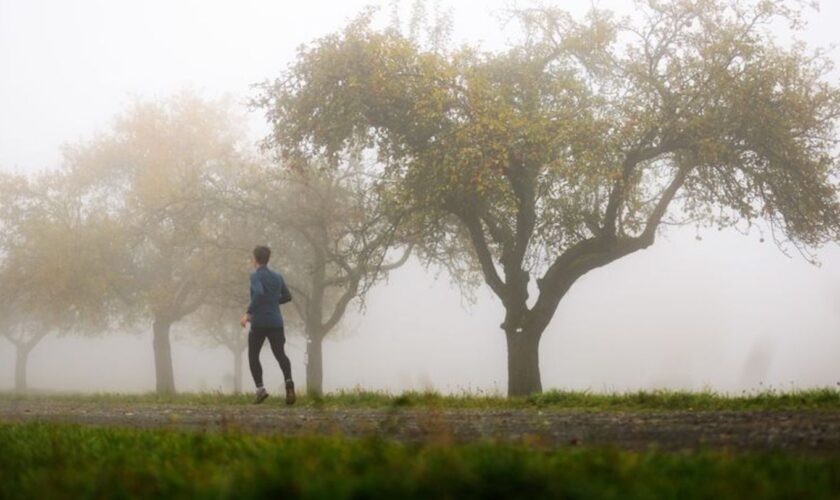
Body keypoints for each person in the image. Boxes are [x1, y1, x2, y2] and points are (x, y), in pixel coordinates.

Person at [240, 245, 295, 405]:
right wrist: (273, 302)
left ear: (255, 259)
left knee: (253, 355)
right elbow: (287, 296)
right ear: (268, 259)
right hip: (276, 322)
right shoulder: (277, 276)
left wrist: (248, 313)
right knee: (280, 354)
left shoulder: (255, 276)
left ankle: (260, 389)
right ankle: (289, 382)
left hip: (259, 322)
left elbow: (258, 293)